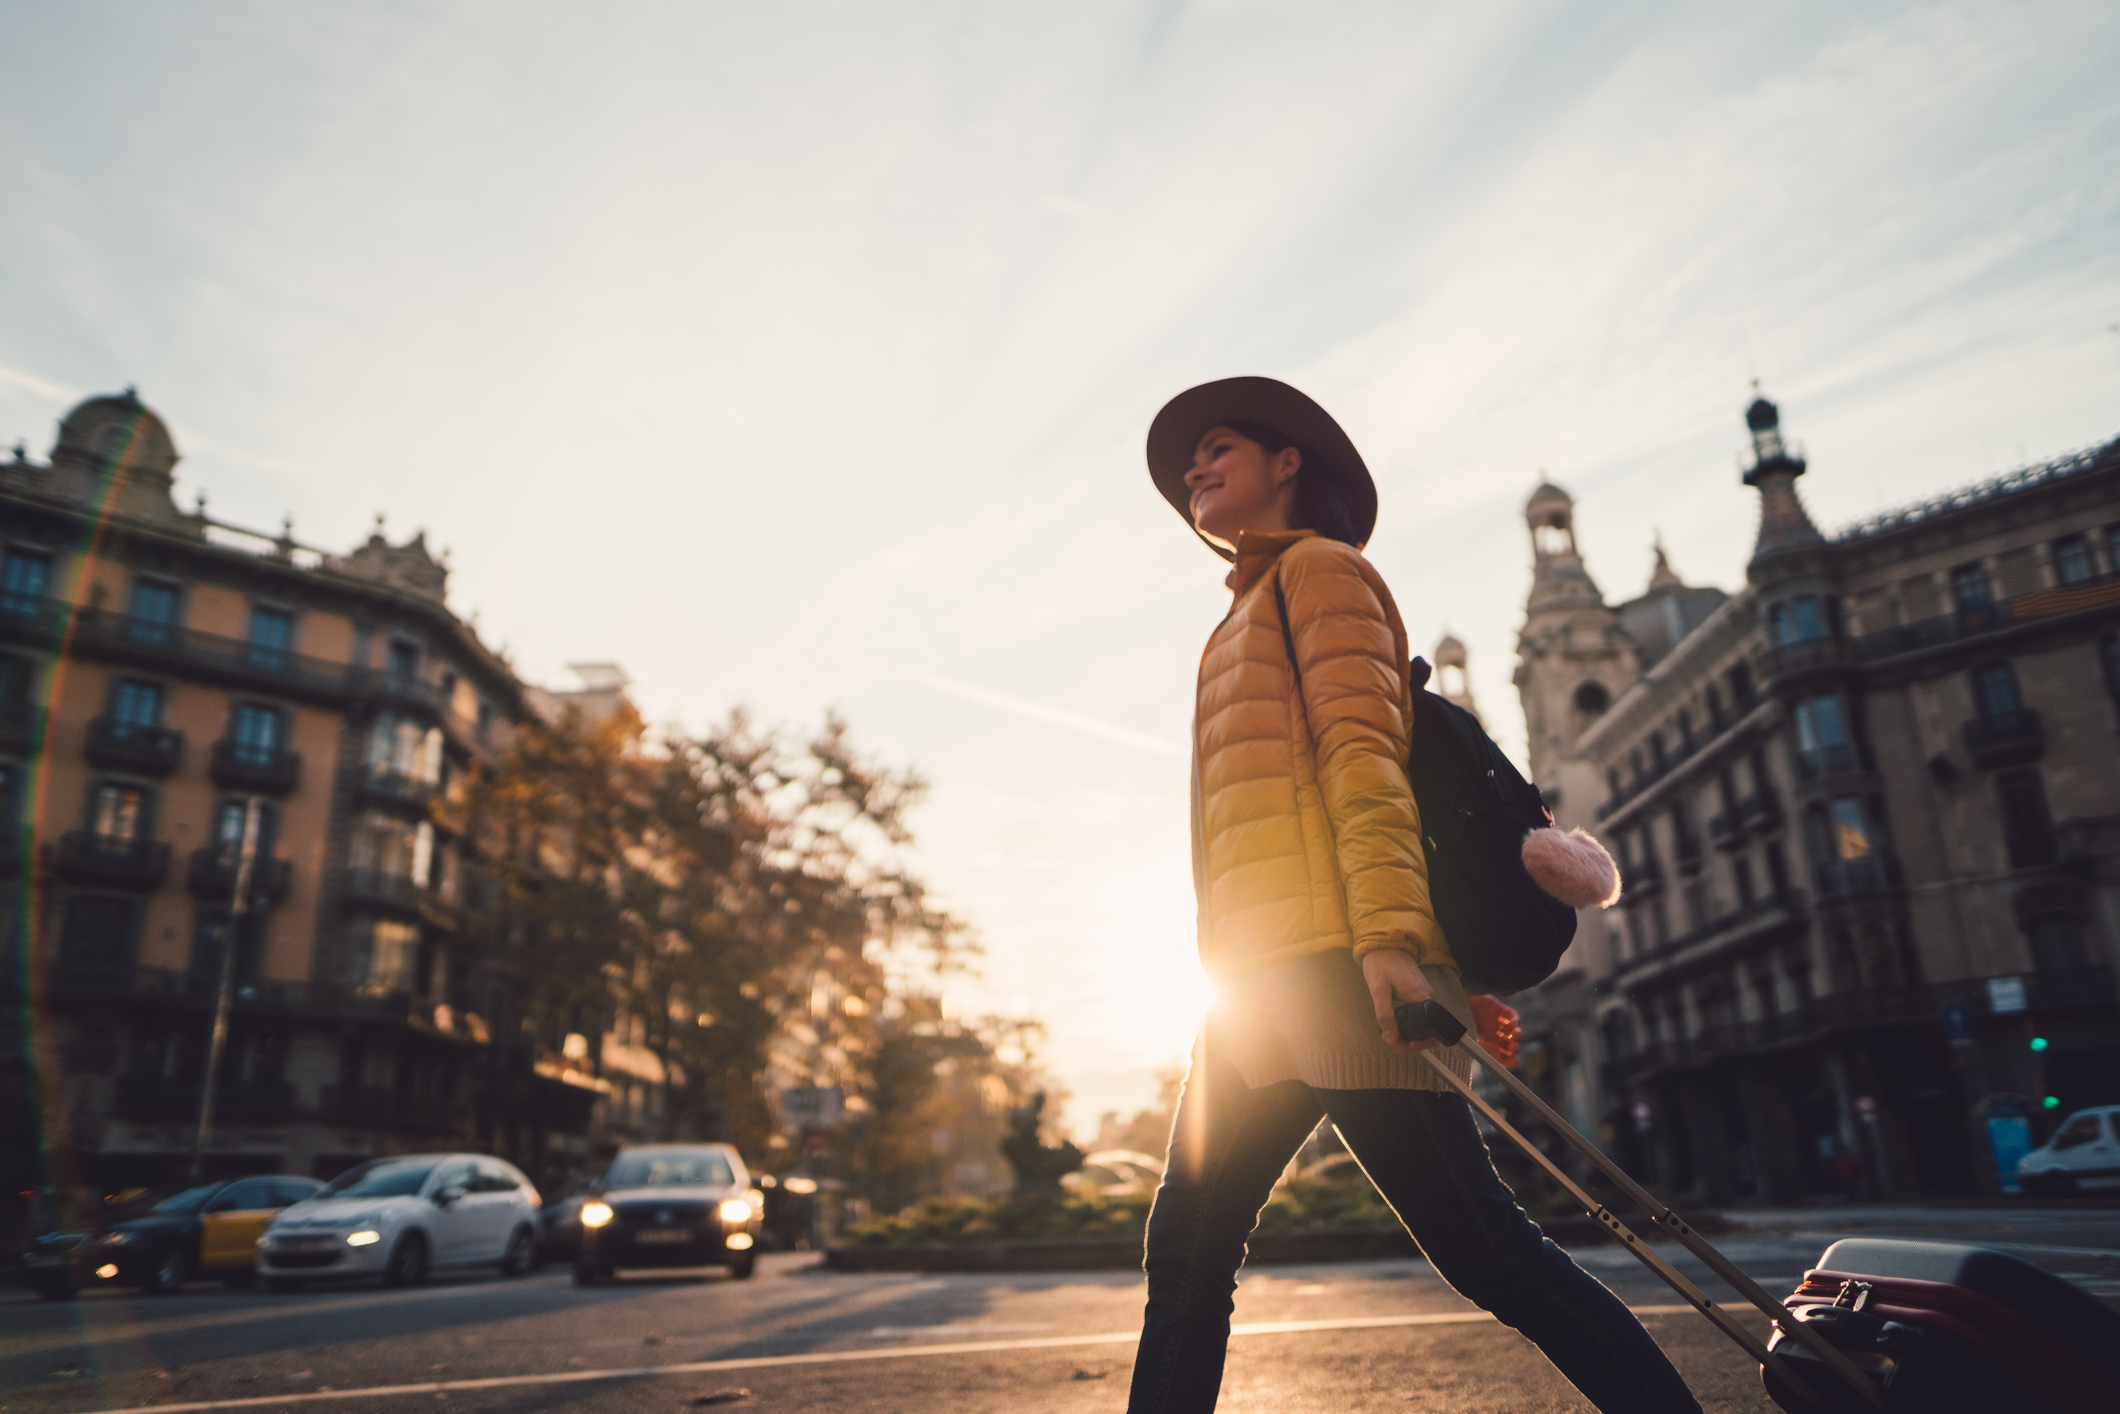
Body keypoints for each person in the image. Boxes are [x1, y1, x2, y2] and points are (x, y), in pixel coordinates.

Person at [1125, 377, 1700, 1414]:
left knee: (1487, 1252)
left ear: (1286, 459)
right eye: (1184, 466)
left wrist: (1393, 945)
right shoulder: (1246, 613)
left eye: (1213, 449)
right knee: (1187, 1251)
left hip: (1336, 971)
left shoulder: (1322, 575)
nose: (1191, 472)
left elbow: (1361, 762)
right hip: (1254, 988)